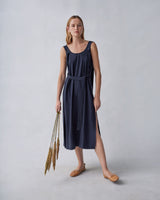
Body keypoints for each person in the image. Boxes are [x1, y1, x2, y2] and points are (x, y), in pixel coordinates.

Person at [55, 15, 119, 182]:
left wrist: (97, 96)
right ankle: (80, 164)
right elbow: (62, 75)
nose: (76, 28)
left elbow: (98, 72)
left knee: (94, 131)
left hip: (85, 92)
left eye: (79, 25)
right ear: (68, 29)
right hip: (69, 93)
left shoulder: (91, 46)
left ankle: (105, 170)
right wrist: (57, 99)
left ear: (82, 28)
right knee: (75, 128)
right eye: (73, 25)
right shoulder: (64, 50)